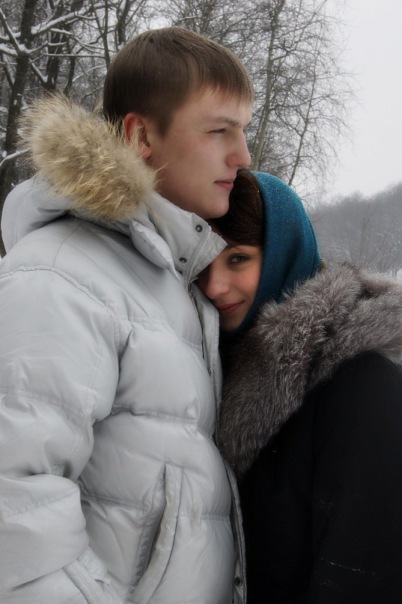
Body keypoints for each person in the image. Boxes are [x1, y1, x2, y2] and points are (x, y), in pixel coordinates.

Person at [0, 27, 253, 603]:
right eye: (219, 130)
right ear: (141, 135)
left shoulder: (174, 281)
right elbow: (14, 508)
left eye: (244, 129)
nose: (242, 155)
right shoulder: (61, 276)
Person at [197, 169, 402, 603]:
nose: (214, 286)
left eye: (238, 259)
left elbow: (363, 574)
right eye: (203, 266)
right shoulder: (209, 373)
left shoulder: (362, 386)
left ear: (284, 252)